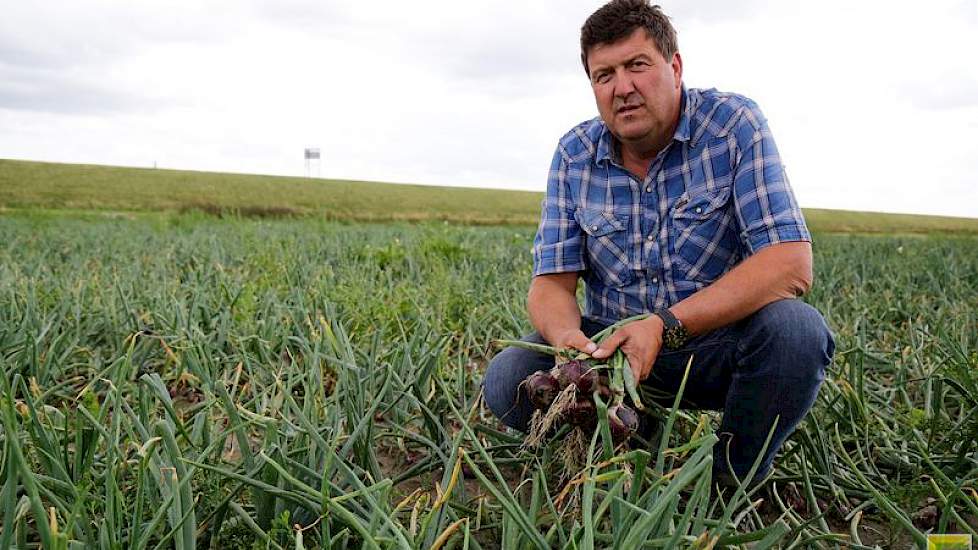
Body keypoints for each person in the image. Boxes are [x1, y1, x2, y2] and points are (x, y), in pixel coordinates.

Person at [483, 0, 835, 485]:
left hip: (709, 346)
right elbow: (551, 285)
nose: (622, 87)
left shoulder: (733, 127)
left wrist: (664, 326)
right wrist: (569, 343)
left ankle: (730, 482)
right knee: (509, 376)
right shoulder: (574, 154)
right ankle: (627, 439)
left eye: (637, 65)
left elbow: (790, 264)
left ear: (674, 67)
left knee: (797, 332)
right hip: (610, 350)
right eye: (604, 75)